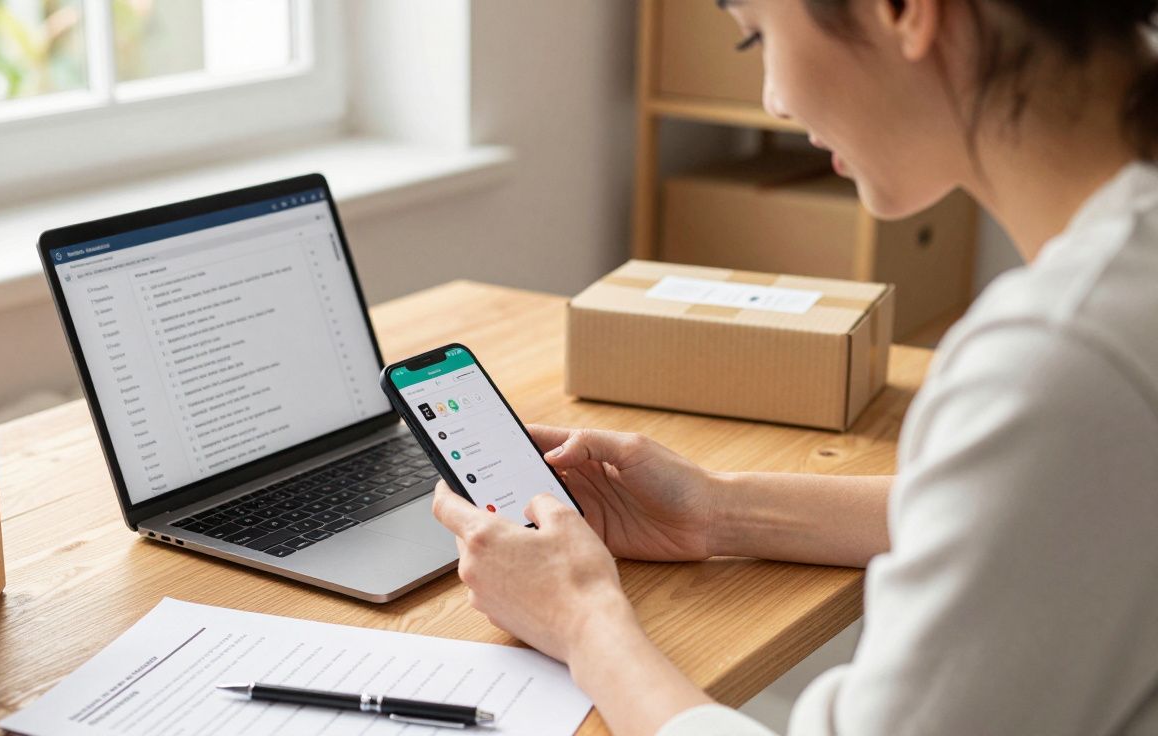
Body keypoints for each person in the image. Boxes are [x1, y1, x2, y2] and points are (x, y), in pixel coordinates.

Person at [431, 1, 1158, 734]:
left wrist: (582, 621)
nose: (773, 98)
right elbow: (1034, 502)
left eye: (758, 34)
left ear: (905, 12)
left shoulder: (1064, 358)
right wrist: (717, 508)